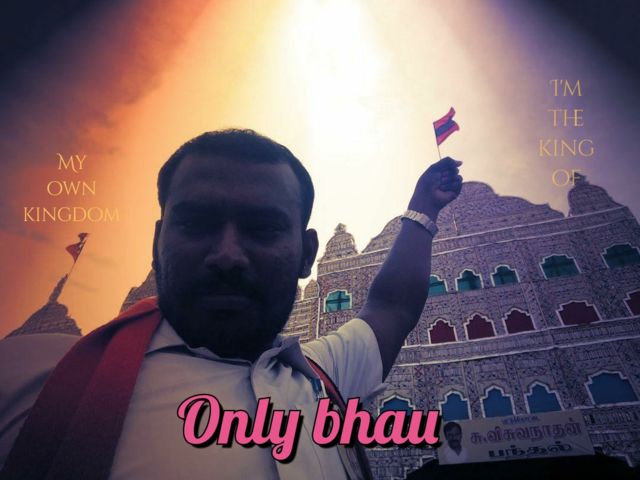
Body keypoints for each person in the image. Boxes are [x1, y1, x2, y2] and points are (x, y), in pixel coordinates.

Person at [0, 129, 463, 479]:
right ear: (158, 242)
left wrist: (423, 209)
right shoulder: (38, 377)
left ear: (307, 254)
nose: (227, 255)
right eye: (197, 224)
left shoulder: (323, 378)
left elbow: (392, 308)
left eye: (262, 229)